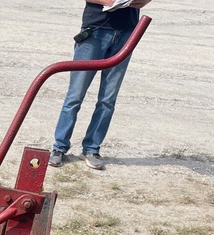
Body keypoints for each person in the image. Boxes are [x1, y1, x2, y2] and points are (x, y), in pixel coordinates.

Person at [49, 0, 152, 170]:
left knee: (108, 99)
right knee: (75, 94)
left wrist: (128, 3)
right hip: (95, 31)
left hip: (126, 32)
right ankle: (59, 147)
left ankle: (91, 149)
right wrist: (114, 2)